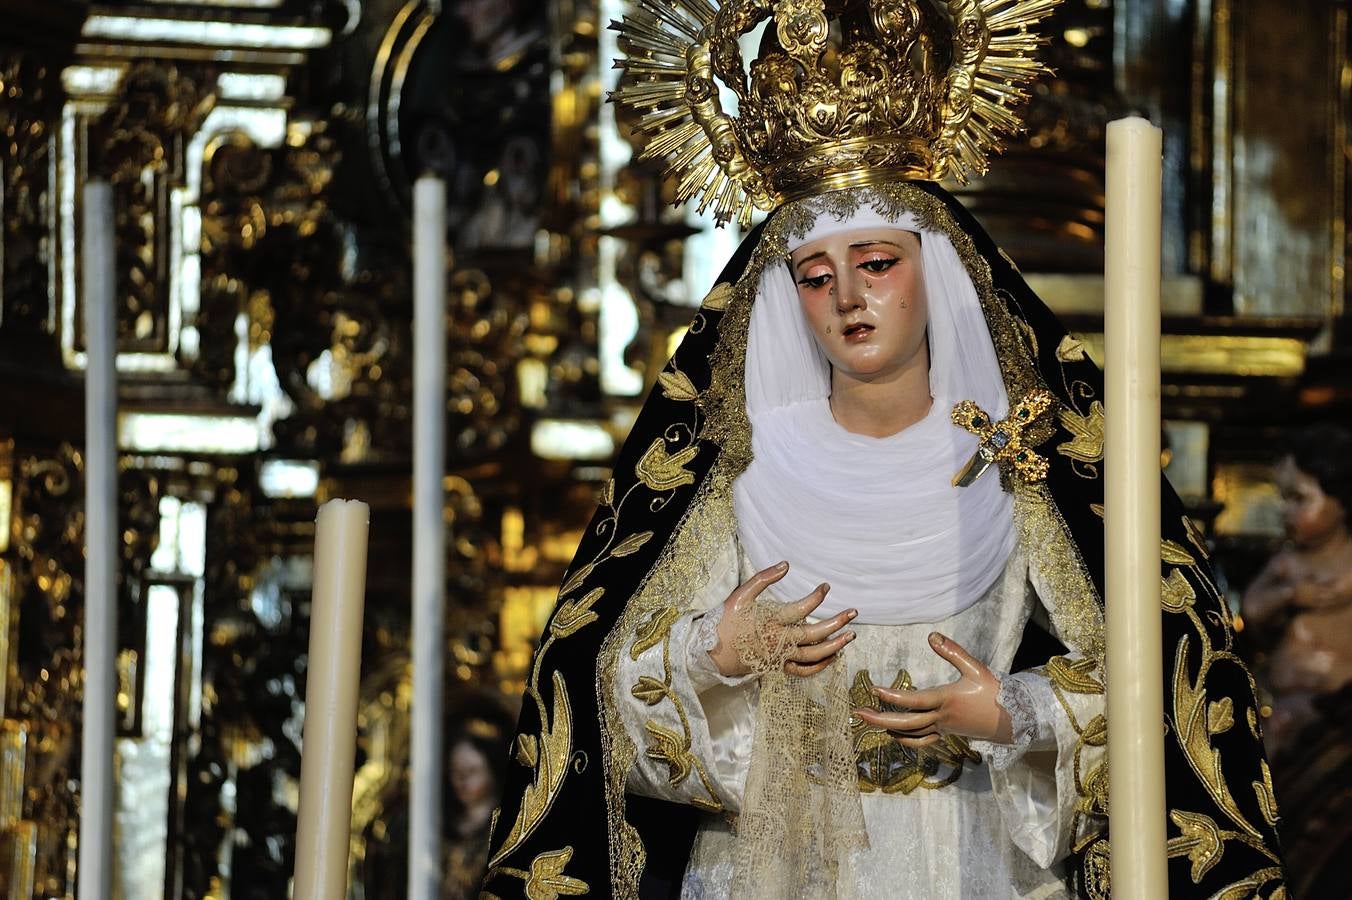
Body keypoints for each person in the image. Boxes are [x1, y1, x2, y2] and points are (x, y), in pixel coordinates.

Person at [482, 0, 1284, 896]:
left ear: (934, 269)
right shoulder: (737, 469)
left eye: (877, 264)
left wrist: (1015, 711)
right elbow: (596, 700)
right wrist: (714, 652)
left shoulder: (1019, 461)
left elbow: (1158, 676)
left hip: (978, 859)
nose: (848, 301)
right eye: (816, 277)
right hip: (779, 868)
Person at [1243, 424, 1352, 758]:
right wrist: (1290, 595)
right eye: (1283, 498)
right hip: (1281, 703)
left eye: (1300, 499)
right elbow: (1251, 609)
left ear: (1342, 500)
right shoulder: (1286, 564)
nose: (1285, 510)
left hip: (1339, 707)